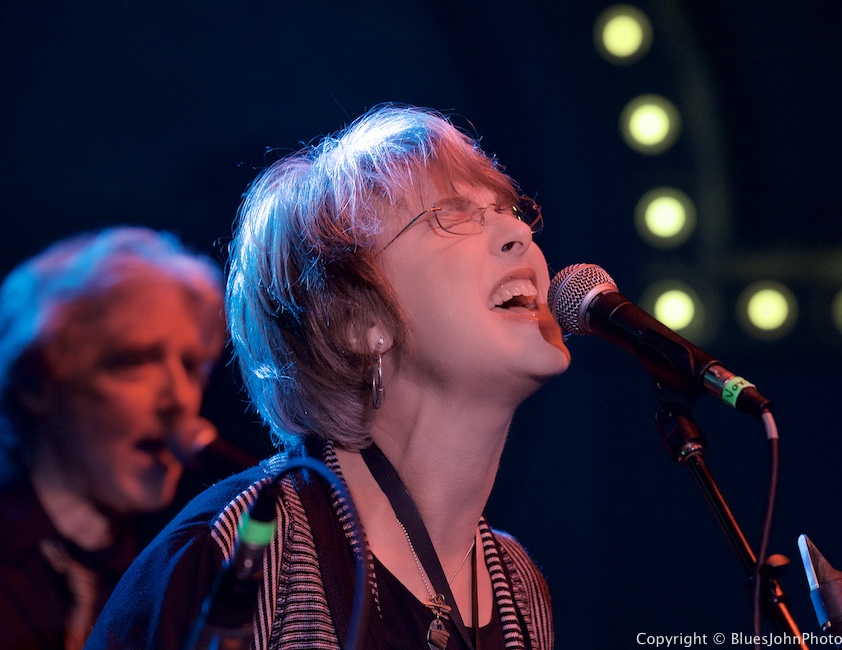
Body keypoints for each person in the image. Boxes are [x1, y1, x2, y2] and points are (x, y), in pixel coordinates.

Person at [86, 104, 571, 649]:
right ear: (358, 321)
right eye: (453, 214)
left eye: (509, 209)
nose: (516, 233)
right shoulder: (242, 547)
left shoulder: (518, 587)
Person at [0, 227, 225, 650]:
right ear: (36, 385)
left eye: (193, 366)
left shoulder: (165, 570)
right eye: (135, 361)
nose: (179, 399)